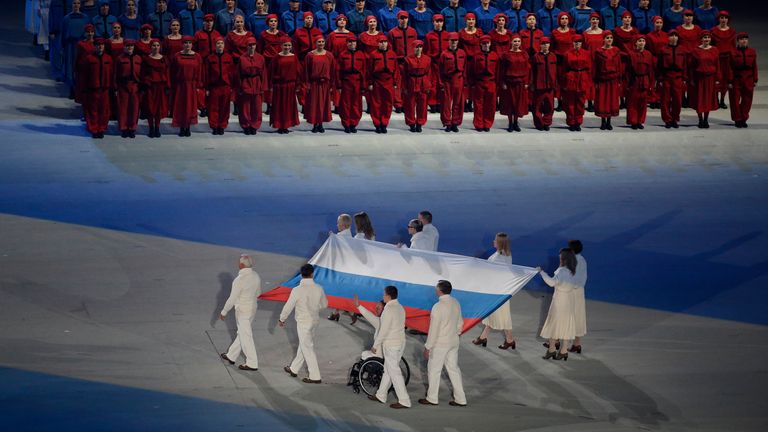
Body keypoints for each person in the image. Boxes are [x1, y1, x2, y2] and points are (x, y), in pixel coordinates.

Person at [418, 280, 466, 407]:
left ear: (439, 291)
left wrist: (428, 347)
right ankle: (461, 399)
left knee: (434, 370)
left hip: (440, 343)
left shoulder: (438, 307)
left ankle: (432, 398)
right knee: (454, 369)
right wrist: (456, 333)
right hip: (453, 341)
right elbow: (460, 322)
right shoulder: (456, 302)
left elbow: (434, 329)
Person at [279, 264, 329, 384]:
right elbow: (325, 304)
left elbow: (288, 306)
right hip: (314, 321)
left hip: (303, 323)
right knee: (304, 345)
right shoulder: (319, 288)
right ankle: (294, 369)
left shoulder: (297, 290)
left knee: (307, 347)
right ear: (312, 274)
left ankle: (315, 376)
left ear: (301, 275)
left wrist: (282, 318)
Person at [366, 286, 411, 409]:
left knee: (394, 372)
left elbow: (384, 330)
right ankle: (381, 395)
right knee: (388, 370)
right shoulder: (400, 308)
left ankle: (404, 400)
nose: (382, 296)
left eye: (384, 294)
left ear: (388, 296)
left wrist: (375, 345)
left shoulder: (388, 309)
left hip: (391, 344)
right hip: (401, 342)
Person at [472, 233, 516, 350]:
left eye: (495, 240)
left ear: (500, 243)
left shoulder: (499, 257)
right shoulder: (504, 254)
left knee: (502, 317)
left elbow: (492, 271)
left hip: (498, 291)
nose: (493, 241)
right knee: (492, 315)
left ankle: (510, 340)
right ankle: (484, 337)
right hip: (498, 289)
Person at [219, 255, 263, 371]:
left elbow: (232, 298)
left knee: (246, 336)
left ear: (242, 265)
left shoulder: (239, 280)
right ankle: (231, 355)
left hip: (242, 311)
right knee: (242, 333)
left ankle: (252, 363)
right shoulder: (256, 276)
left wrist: (224, 311)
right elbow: (258, 294)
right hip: (252, 308)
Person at [538, 248, 579, 361]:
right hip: (569, 301)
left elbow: (551, 283)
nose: (559, 258)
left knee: (554, 324)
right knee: (566, 326)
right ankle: (564, 351)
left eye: (560, 257)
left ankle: (551, 350)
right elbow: (576, 286)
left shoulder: (561, 271)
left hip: (559, 301)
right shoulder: (573, 272)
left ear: (564, 259)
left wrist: (541, 272)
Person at [170, 35, 202, 136]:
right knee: (180, 106)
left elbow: (200, 71)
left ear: (192, 44)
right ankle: (181, 126)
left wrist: (198, 85)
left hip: (191, 84)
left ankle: (187, 126)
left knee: (190, 106)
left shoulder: (197, 56)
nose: (187, 45)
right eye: (185, 43)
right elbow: (172, 71)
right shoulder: (177, 56)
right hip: (180, 85)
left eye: (189, 43)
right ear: (182, 44)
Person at [82, 38, 114, 138]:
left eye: (102, 45)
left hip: (105, 88)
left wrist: (113, 87)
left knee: (104, 110)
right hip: (93, 89)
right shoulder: (89, 59)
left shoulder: (109, 58)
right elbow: (84, 75)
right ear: (94, 46)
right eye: (98, 45)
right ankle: (94, 128)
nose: (100, 47)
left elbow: (112, 73)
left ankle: (102, 128)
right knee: (93, 110)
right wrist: (84, 88)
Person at [304, 36, 336, 133]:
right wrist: (307, 84)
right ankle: (315, 124)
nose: (321, 43)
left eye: (322, 41)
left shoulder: (329, 55)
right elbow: (306, 71)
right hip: (314, 84)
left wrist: (331, 85)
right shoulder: (310, 55)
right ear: (315, 43)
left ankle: (321, 124)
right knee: (314, 105)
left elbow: (332, 71)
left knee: (323, 105)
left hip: (325, 84)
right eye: (319, 42)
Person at [367, 35, 399, 133]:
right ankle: (377, 124)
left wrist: (395, 82)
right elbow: (369, 70)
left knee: (388, 103)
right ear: (378, 44)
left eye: (385, 42)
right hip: (377, 81)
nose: (383, 44)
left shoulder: (392, 54)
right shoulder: (373, 55)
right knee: (376, 104)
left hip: (388, 81)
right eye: (381, 42)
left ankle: (384, 123)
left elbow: (396, 70)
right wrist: (370, 83)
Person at [388, 11, 418, 114]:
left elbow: (416, 47)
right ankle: (398, 104)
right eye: (401, 18)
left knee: (409, 84)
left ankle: (407, 104)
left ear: (408, 19)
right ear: (398, 19)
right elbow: (390, 49)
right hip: (398, 61)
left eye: (405, 18)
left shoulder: (413, 32)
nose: (403, 20)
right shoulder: (392, 32)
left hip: (410, 62)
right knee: (398, 84)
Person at [236, 37, 267, 134]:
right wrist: (239, 86)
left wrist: (263, 86)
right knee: (245, 107)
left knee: (257, 107)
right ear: (246, 46)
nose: (252, 47)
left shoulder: (260, 58)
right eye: (250, 45)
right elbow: (238, 74)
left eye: (253, 45)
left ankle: (254, 125)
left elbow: (264, 73)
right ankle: (246, 125)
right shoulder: (242, 58)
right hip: (246, 83)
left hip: (257, 83)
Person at [270, 39, 302, 134]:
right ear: (281, 46)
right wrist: (272, 84)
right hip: (279, 85)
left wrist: (298, 85)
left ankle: (286, 125)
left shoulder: (294, 57)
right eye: (285, 45)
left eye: (288, 45)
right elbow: (272, 71)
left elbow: (298, 72)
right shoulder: (276, 57)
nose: (287, 47)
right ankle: (280, 125)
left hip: (290, 85)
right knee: (279, 106)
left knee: (288, 106)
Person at [336, 35, 367, 133]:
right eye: (349, 42)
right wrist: (339, 84)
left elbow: (364, 71)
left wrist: (363, 85)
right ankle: (346, 124)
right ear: (347, 43)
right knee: (345, 104)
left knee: (356, 104)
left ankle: (353, 123)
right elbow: (338, 71)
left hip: (357, 81)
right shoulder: (342, 55)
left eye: (354, 42)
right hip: (346, 81)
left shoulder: (361, 55)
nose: (352, 44)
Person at [688, 30, 719, 128]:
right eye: (705, 37)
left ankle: (706, 119)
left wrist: (718, 78)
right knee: (700, 99)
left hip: (710, 78)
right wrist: (692, 79)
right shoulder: (695, 51)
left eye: (708, 37)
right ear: (701, 39)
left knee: (708, 100)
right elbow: (692, 67)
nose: (707, 39)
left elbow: (717, 65)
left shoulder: (715, 50)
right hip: (699, 79)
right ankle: (700, 119)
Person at [499, 34, 529, 132]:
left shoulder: (524, 54)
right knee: (510, 103)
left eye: (518, 41)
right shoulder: (506, 54)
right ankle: (510, 123)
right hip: (509, 82)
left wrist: (526, 82)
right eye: (515, 41)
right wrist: (502, 82)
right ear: (511, 42)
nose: (517, 43)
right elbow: (502, 70)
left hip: (520, 82)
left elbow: (527, 69)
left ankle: (516, 122)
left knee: (518, 103)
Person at [204, 37, 234, 135]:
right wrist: (207, 87)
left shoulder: (228, 57)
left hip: (226, 86)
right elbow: (207, 74)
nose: (220, 45)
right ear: (215, 45)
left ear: (224, 45)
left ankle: (222, 126)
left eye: (221, 43)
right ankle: (214, 126)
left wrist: (232, 86)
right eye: (218, 43)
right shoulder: (210, 58)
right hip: (214, 87)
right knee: (213, 107)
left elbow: (231, 73)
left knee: (224, 108)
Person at [62, 0, 91, 99]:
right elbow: (63, 34)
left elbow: (88, 33)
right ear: (71, 4)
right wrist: (63, 48)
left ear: (80, 5)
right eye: (74, 3)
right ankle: (72, 89)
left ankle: (80, 90)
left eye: (78, 3)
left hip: (81, 46)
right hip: (70, 46)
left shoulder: (85, 18)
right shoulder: (66, 18)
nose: (76, 5)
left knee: (81, 67)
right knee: (71, 67)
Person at [592, 31, 621, 130]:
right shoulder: (598, 51)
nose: (609, 40)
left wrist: (619, 79)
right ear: (603, 39)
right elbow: (595, 66)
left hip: (613, 79)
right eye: (607, 38)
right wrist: (595, 80)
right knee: (602, 100)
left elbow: (618, 65)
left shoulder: (616, 50)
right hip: (602, 80)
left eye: (611, 38)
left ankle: (609, 121)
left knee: (611, 100)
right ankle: (603, 122)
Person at [140, 38, 169, 137]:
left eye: (157, 45)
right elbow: (142, 73)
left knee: (158, 109)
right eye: (154, 45)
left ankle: (157, 128)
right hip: (150, 86)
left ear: (160, 47)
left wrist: (167, 86)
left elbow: (167, 73)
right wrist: (143, 86)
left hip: (160, 86)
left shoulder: (164, 58)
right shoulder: (146, 59)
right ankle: (151, 128)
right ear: (150, 47)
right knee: (150, 108)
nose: (156, 47)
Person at [468, 35, 498, 131]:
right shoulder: (476, 56)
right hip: (479, 83)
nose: (486, 45)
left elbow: (498, 70)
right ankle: (479, 124)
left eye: (487, 43)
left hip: (491, 82)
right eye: (484, 43)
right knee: (478, 104)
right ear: (480, 44)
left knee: (490, 105)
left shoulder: (494, 56)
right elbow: (471, 71)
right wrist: (472, 83)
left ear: (490, 44)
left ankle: (487, 124)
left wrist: (497, 83)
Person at [658, 29, 686, 128]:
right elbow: (659, 65)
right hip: (666, 77)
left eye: (675, 36)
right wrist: (660, 79)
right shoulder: (663, 50)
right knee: (665, 100)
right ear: (668, 38)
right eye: (671, 36)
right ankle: (667, 119)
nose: (673, 38)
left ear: (678, 38)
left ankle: (675, 118)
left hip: (678, 77)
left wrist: (684, 78)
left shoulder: (682, 49)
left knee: (677, 100)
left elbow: (685, 65)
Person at [561, 34, 590, 131]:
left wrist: (588, 81)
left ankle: (578, 122)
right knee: (571, 102)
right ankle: (571, 122)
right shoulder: (567, 54)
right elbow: (564, 69)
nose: (577, 44)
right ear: (572, 43)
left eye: (579, 42)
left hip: (582, 77)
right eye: (575, 42)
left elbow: (589, 68)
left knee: (580, 102)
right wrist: (565, 81)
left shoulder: (586, 53)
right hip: (571, 77)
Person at [438, 32, 466, 132]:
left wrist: (465, 81)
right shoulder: (444, 54)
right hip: (447, 81)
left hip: (459, 80)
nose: (454, 42)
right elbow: (440, 70)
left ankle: (455, 122)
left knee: (458, 103)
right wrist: (440, 83)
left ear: (458, 41)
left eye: (456, 40)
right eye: (452, 40)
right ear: (448, 41)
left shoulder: (462, 53)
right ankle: (447, 122)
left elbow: (465, 68)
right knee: (446, 103)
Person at [115, 40, 143, 138]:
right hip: (123, 85)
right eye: (127, 46)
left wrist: (141, 86)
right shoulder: (119, 59)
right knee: (123, 108)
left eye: (131, 46)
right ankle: (123, 128)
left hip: (135, 85)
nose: (129, 47)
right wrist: (116, 87)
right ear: (124, 47)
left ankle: (132, 128)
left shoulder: (138, 58)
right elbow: (116, 73)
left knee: (134, 108)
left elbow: (142, 73)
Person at [624, 34, 653, 129]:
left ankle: (640, 121)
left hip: (645, 79)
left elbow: (651, 70)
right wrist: (628, 83)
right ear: (636, 43)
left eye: (643, 41)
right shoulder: (631, 54)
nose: (642, 43)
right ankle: (633, 121)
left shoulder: (648, 54)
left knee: (643, 102)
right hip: (634, 80)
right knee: (633, 102)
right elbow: (627, 70)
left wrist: (651, 83)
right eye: (639, 41)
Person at [729, 32, 757, 129]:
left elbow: (754, 66)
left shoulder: (752, 52)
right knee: (735, 101)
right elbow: (730, 67)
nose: (744, 41)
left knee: (747, 100)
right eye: (741, 39)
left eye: (745, 39)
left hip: (748, 79)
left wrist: (755, 79)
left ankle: (744, 118)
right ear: (738, 41)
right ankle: (737, 118)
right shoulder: (733, 52)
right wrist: (730, 81)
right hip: (736, 79)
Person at [402, 40, 431, 132]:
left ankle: (420, 123)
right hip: (411, 83)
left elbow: (429, 74)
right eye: (416, 47)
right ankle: (411, 123)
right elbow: (404, 74)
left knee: (422, 105)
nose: (418, 49)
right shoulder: (407, 59)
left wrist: (428, 86)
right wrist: (404, 87)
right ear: (413, 48)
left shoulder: (427, 59)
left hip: (422, 83)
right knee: (410, 105)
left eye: (420, 47)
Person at [529, 36, 557, 131]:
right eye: (543, 44)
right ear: (540, 45)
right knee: (537, 106)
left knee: (550, 106)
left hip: (550, 86)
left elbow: (555, 72)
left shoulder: (553, 56)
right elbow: (532, 72)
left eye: (547, 43)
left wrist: (555, 84)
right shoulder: (535, 57)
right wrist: (532, 84)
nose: (545, 45)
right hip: (538, 86)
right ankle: (539, 124)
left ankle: (546, 123)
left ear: (549, 45)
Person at [425, 14, 449, 113]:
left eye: (440, 21)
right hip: (433, 63)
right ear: (433, 23)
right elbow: (426, 51)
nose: (439, 24)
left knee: (442, 84)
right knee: (433, 83)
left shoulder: (447, 35)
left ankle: (440, 102)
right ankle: (432, 103)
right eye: (436, 21)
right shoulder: (429, 36)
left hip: (444, 63)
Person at [710, 11, 733, 110]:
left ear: (728, 19)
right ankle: (715, 99)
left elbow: (733, 46)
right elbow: (711, 45)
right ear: (718, 19)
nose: (723, 20)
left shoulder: (732, 31)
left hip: (727, 59)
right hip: (717, 58)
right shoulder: (713, 31)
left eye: (725, 18)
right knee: (716, 79)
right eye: (721, 17)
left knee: (725, 80)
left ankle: (722, 100)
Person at [567, 240, 588, 353]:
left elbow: (570, 277)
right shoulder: (583, 260)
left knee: (567, 315)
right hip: (579, 291)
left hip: (572, 291)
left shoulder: (572, 261)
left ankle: (559, 342)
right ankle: (577, 344)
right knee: (578, 316)